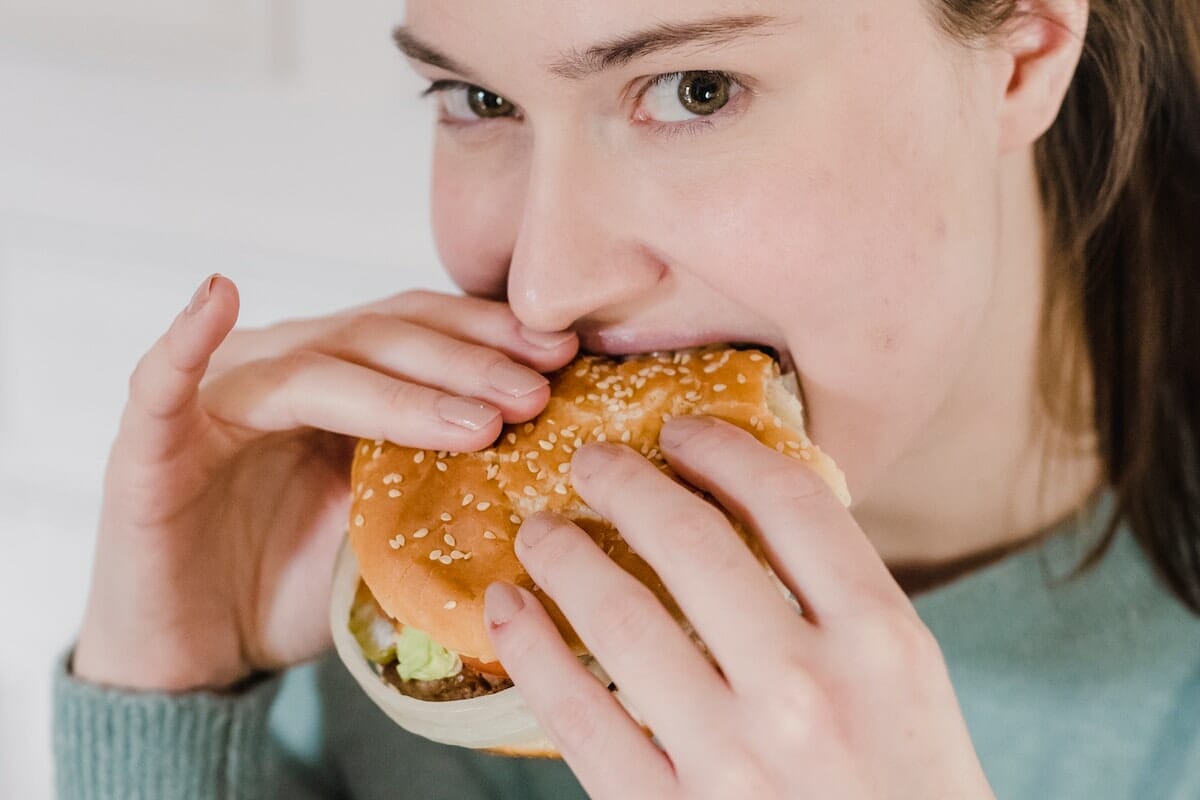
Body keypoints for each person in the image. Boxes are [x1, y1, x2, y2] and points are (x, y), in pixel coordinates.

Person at [53, 0, 1200, 797]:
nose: (546, 280)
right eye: (476, 98)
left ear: (1025, 50)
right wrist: (169, 692)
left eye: (695, 90)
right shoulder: (445, 633)